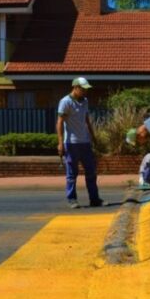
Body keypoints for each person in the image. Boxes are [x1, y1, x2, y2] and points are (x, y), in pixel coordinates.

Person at [57, 77, 103, 209]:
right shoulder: (65, 102)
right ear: (75, 88)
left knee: (91, 172)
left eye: (86, 90)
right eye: (83, 89)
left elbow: (86, 120)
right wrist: (60, 143)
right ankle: (72, 199)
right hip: (71, 143)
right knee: (72, 173)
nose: (85, 92)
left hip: (85, 142)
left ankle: (94, 199)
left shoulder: (85, 101)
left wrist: (93, 137)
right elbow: (59, 122)